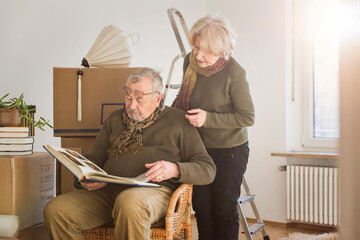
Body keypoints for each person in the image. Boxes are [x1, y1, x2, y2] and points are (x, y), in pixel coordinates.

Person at [44, 67, 216, 240]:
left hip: (155, 192)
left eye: (139, 99)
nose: (131, 106)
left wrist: (175, 169)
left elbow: (207, 169)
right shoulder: (115, 118)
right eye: (128, 97)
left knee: (129, 202)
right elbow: (94, 156)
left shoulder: (178, 121)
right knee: (56, 209)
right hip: (108, 192)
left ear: (157, 98)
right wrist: (85, 176)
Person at [173, 14, 255, 240]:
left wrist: (208, 119)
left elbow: (247, 117)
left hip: (230, 151)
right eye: (196, 47)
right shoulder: (190, 61)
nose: (198, 55)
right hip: (199, 149)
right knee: (202, 209)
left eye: (205, 50)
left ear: (221, 49)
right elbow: (183, 97)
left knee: (224, 210)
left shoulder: (234, 73)